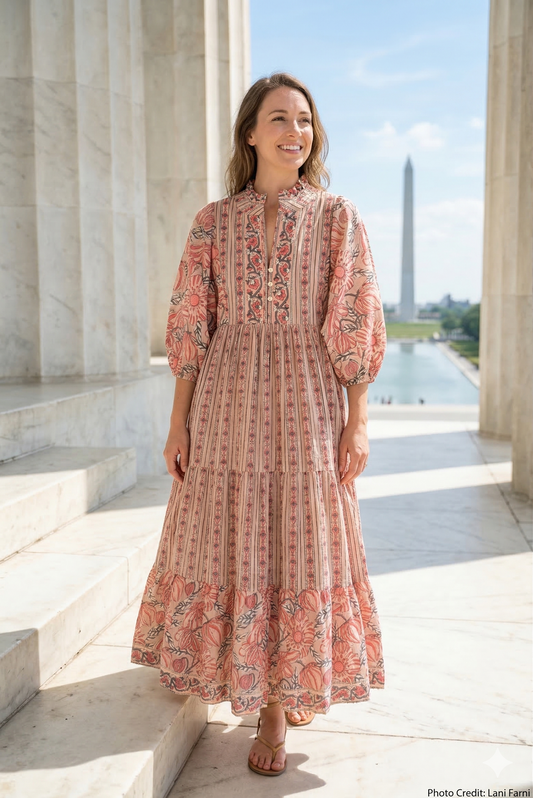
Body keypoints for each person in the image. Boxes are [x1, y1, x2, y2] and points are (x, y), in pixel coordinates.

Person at [131, 72, 387, 777]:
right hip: (225, 401)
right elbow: (189, 325)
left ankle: (288, 683)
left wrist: (357, 421)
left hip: (307, 398)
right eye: (278, 119)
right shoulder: (214, 222)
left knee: (301, 539)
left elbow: (356, 321)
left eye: (303, 121)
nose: (294, 133)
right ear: (251, 133)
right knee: (235, 536)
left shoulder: (336, 217)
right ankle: (269, 705)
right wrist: (178, 425)